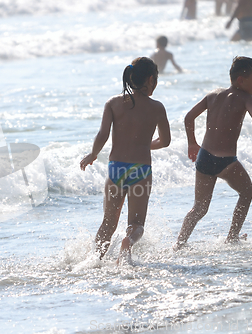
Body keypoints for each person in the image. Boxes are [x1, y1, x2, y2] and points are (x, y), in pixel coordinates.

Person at [174, 56, 252, 251]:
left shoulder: (213, 94)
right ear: (241, 80)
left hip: (204, 158)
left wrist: (192, 143)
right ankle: (232, 236)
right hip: (226, 162)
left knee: (199, 208)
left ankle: (179, 243)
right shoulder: (246, 98)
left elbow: (188, 117)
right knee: (247, 192)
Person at [80, 57, 171, 262]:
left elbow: (102, 135)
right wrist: (144, 145)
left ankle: (96, 260)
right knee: (137, 224)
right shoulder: (157, 108)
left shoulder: (113, 103)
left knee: (108, 223)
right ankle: (128, 242)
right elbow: (165, 141)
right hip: (140, 171)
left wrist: (93, 155)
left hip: (116, 170)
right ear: (150, 79)